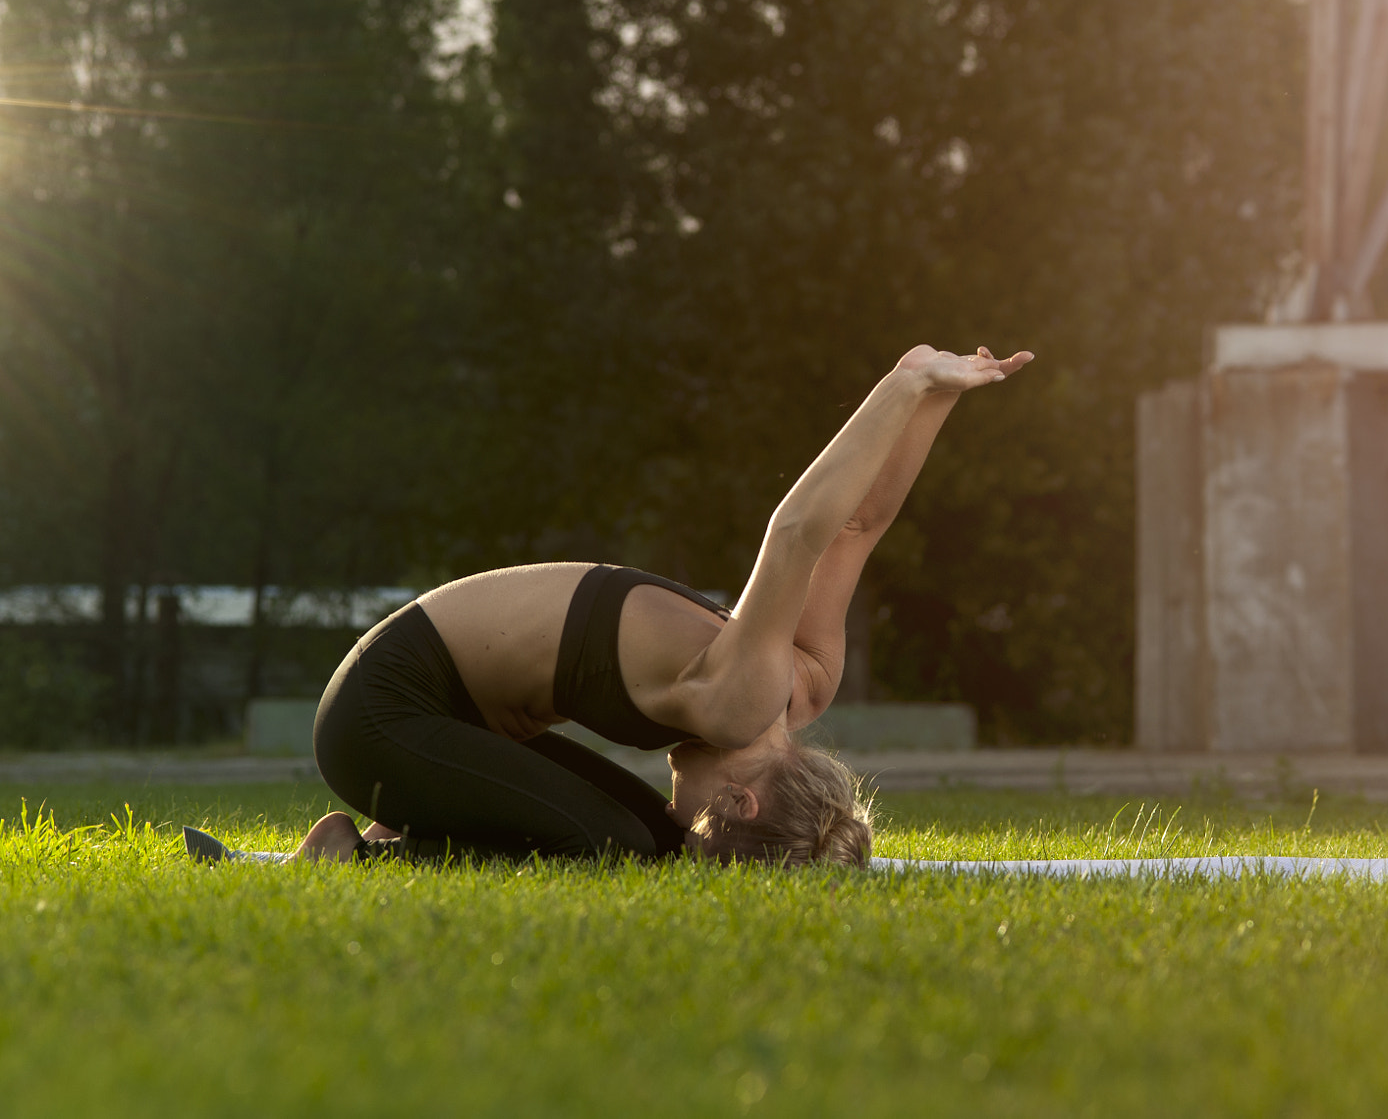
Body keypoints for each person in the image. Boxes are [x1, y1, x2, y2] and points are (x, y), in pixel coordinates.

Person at [284, 343, 1032, 867]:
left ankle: (422, 815)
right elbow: (799, 531)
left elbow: (856, 527)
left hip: (445, 721)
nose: (683, 813)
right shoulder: (741, 702)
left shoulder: (804, 682)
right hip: (381, 714)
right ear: (739, 800)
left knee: (649, 847)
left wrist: (933, 391)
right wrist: (899, 392)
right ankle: (348, 856)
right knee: (613, 847)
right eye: (700, 821)